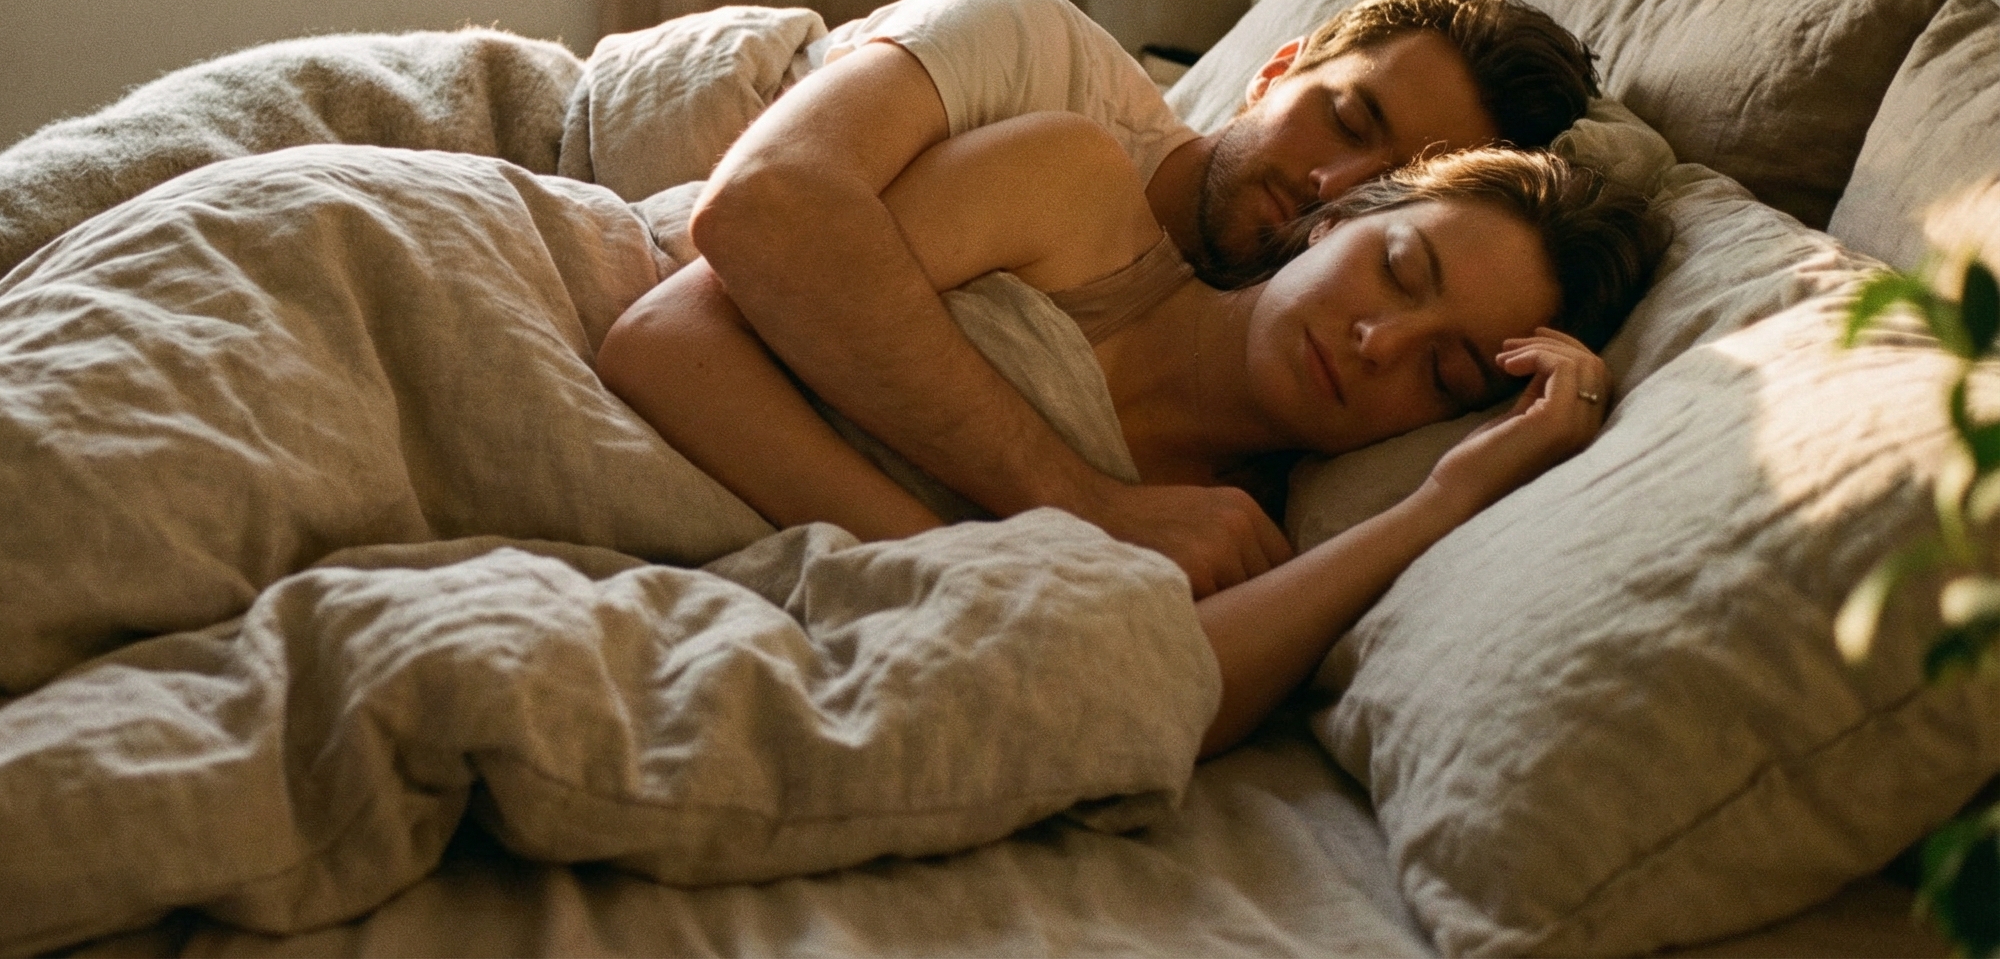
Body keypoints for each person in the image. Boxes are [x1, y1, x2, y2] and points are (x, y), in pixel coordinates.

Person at [599, 128, 1666, 755]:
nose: (1380, 343)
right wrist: (960, 558)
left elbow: (1172, 694)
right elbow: (662, 337)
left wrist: (1447, 499)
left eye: (1445, 375)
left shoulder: (1243, 538)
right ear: (1338, 217)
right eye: (1397, 269)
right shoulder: (1073, 197)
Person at [692, 0, 1600, 597]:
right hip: (693, 154)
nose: (1334, 185)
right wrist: (1070, 509)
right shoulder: (1042, 61)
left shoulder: (1283, 402)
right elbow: (758, 210)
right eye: (1348, 119)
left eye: (1389, 184)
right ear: (1275, 72)